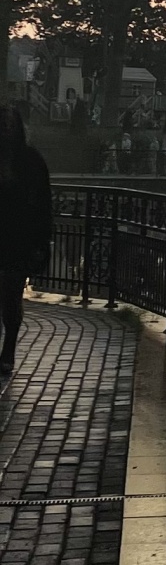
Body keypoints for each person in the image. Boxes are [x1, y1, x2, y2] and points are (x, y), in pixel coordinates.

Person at [0, 107, 52, 379]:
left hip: (18, 240)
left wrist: (41, 241)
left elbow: (43, 204)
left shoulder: (31, 161)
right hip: (10, 238)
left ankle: (8, 348)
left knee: (10, 297)